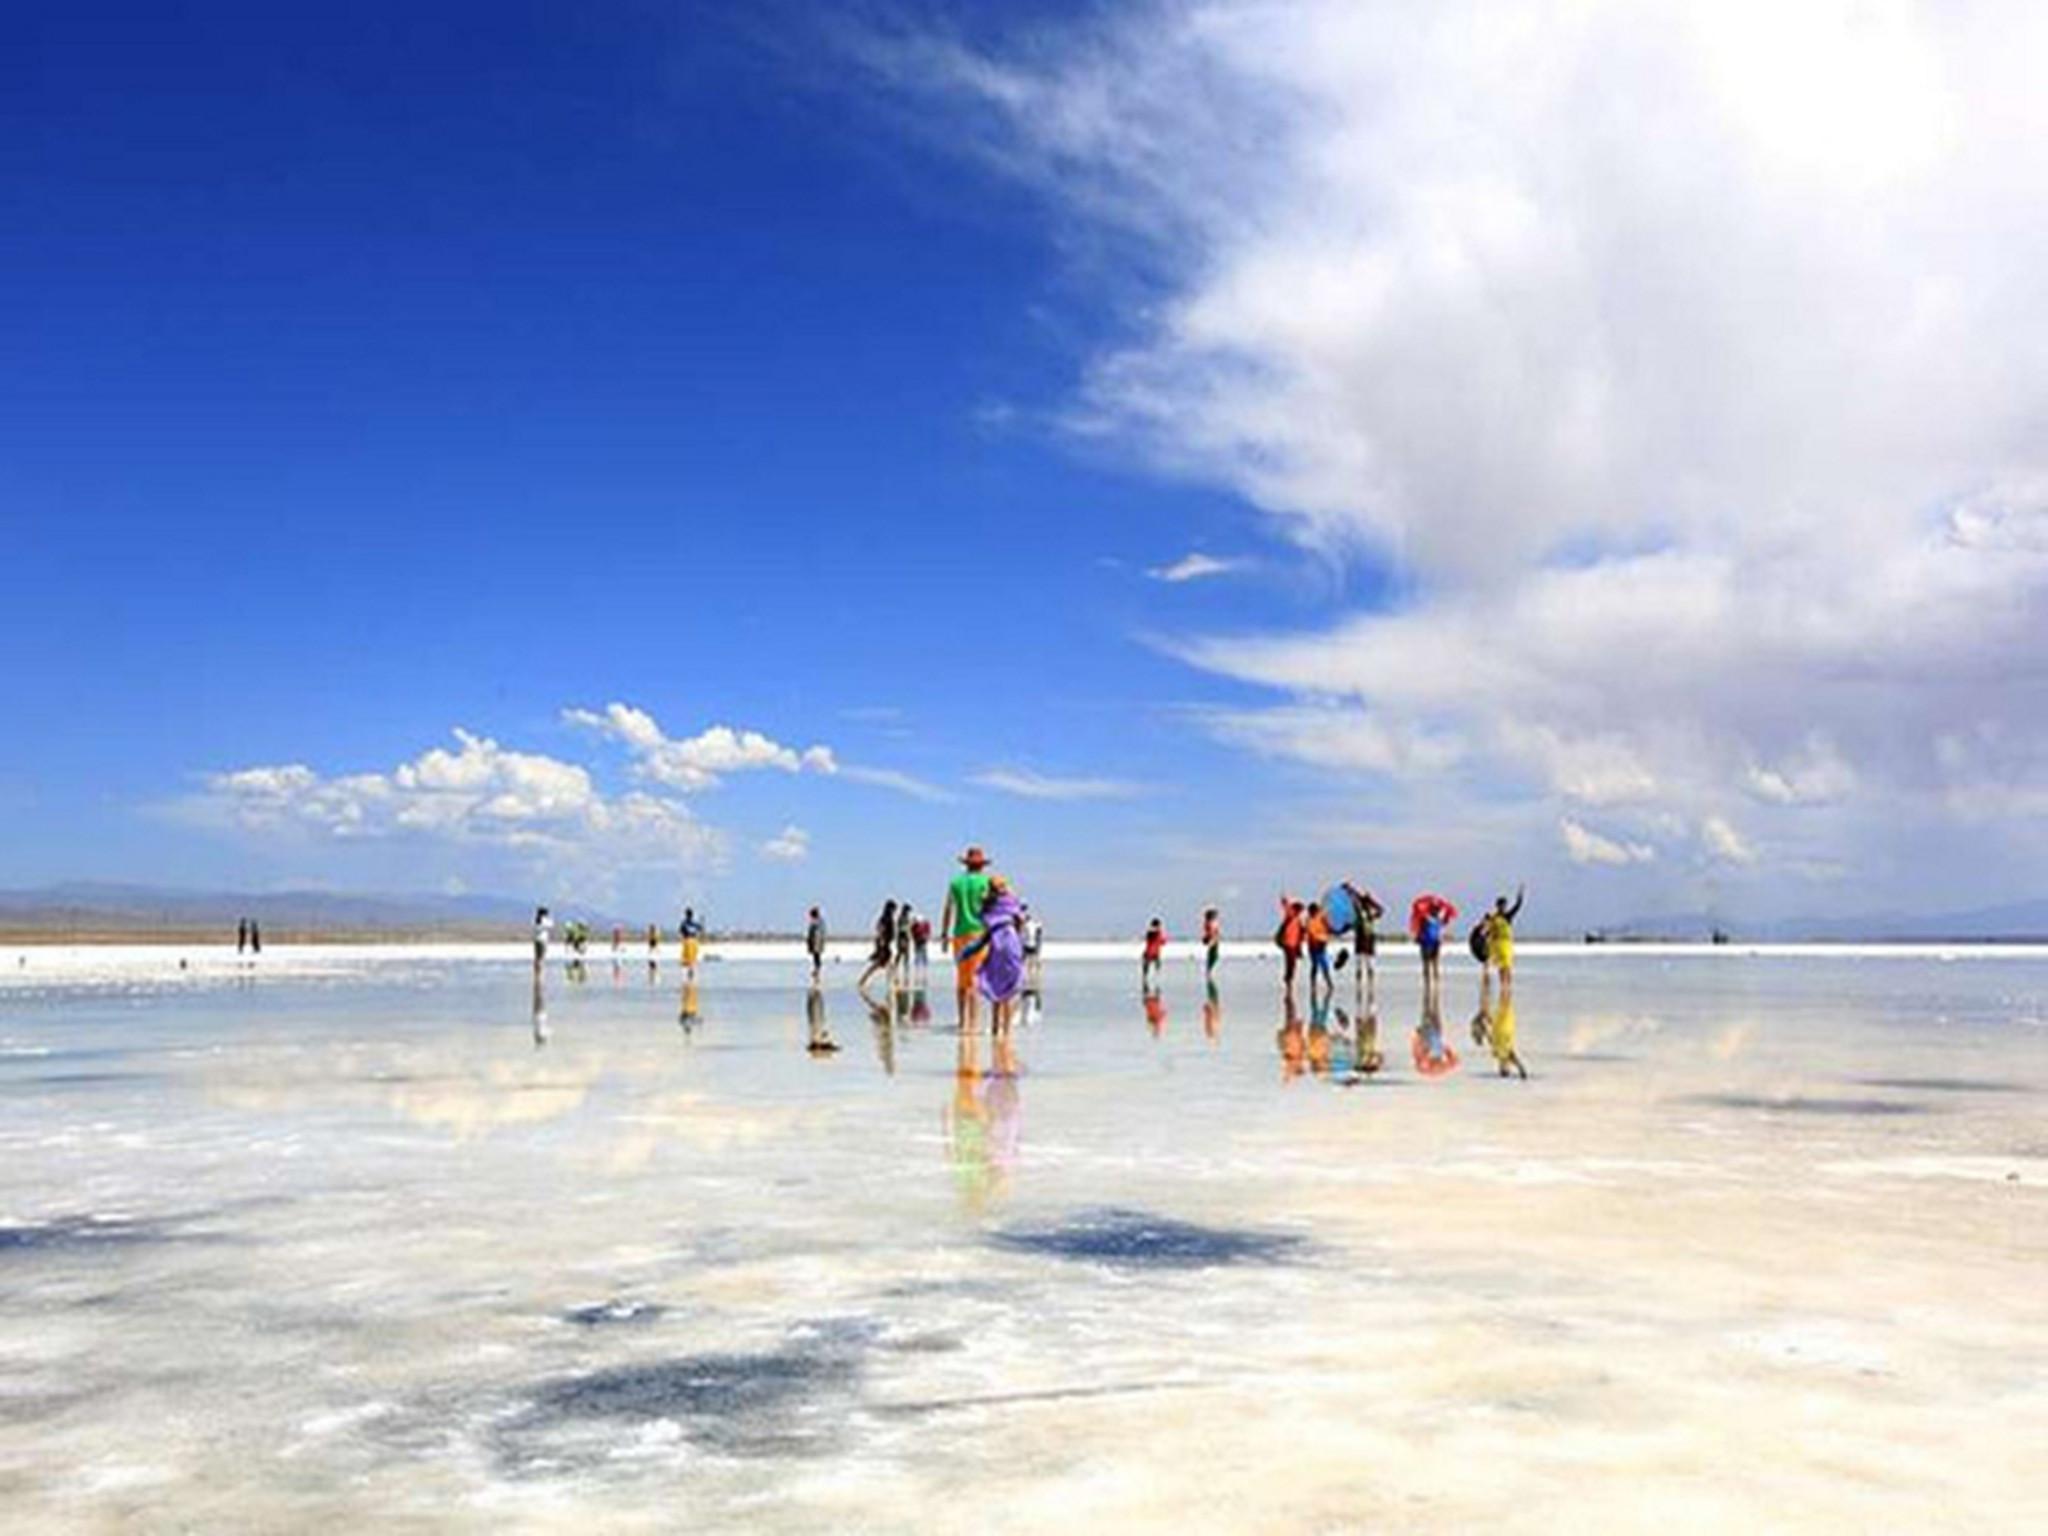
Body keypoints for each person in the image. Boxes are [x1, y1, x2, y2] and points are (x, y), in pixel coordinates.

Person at [940, 845, 995, 1031]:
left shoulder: (955, 883)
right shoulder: (986, 883)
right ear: (981, 865)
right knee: (975, 980)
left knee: (962, 980)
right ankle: (973, 1022)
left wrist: (944, 934)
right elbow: (991, 910)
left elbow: (948, 909)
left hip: (959, 935)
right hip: (979, 934)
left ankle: (962, 1021)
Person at [969, 875, 1028, 1034]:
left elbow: (982, 920)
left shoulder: (989, 905)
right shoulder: (1011, 902)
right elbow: (1021, 921)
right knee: (1009, 988)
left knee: (996, 984)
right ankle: (1007, 1031)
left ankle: (995, 1028)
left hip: (996, 943)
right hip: (1011, 942)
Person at [1340, 881, 1385, 996]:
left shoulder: (1369, 914)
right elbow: (1356, 900)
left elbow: (1380, 910)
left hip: (1368, 939)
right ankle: (1360, 986)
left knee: (1368, 963)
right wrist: (1350, 890)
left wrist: (1368, 899)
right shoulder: (1358, 913)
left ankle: (1369, 985)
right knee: (1360, 963)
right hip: (1362, 939)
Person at [1483, 885, 1526, 1001]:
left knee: (1508, 966)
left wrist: (1520, 898)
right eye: (1501, 905)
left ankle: (1508, 986)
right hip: (1497, 945)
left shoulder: (1508, 916)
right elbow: (1489, 930)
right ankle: (1503, 986)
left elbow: (1517, 907)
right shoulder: (1494, 917)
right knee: (1501, 967)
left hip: (1506, 944)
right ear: (1497, 906)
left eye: (1504, 905)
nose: (1503, 907)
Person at [858, 899, 898, 995]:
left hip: (885, 943)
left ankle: (893, 982)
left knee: (887, 964)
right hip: (884, 943)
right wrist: (882, 942)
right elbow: (880, 929)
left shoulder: (886, 918)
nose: (895, 911)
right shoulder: (886, 918)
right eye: (894, 909)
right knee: (881, 964)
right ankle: (864, 980)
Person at [1274, 897, 1306, 994]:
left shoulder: (1298, 919)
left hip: (1294, 944)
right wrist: (1284, 901)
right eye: (1299, 910)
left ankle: (1288, 979)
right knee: (1290, 963)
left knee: (1292, 964)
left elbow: (1301, 932)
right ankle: (1288, 980)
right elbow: (1287, 908)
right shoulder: (1290, 915)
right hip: (1288, 943)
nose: (1300, 912)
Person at [1304, 902, 1333, 997]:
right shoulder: (1309, 921)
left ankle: (1329, 984)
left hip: (1321, 945)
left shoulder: (1321, 918)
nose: (1313, 913)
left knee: (1324, 965)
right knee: (1315, 965)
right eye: (1311, 911)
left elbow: (1328, 926)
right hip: (1313, 946)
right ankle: (1313, 984)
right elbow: (1311, 933)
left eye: (1314, 911)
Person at [1021, 906, 1044, 990]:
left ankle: (1029, 976)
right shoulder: (1033, 924)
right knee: (1033, 961)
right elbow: (1039, 928)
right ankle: (1034, 976)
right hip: (1032, 945)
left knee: (1028, 961)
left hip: (1028, 945)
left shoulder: (1027, 925)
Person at [1141, 917, 1167, 990]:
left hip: (1155, 953)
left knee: (1156, 970)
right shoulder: (1151, 932)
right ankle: (1146, 982)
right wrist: (1155, 930)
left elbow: (1163, 942)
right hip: (1149, 953)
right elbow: (1150, 934)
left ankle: (1155, 983)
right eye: (1159, 925)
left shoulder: (1159, 933)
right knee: (1146, 971)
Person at [678, 908, 704, 977]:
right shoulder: (694, 924)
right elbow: (701, 929)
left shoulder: (684, 923)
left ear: (686, 915)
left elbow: (681, 932)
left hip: (687, 941)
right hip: (693, 941)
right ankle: (691, 970)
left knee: (687, 959)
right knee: (691, 958)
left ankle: (690, 971)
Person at [805, 906, 827, 985]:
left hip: (816, 942)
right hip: (817, 942)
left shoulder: (816, 922)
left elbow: (813, 933)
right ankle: (816, 971)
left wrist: (811, 941)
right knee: (816, 957)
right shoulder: (820, 922)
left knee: (816, 957)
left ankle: (817, 971)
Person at [1201, 907, 1221, 981]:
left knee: (1214, 956)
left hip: (1214, 940)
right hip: (1213, 940)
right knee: (1213, 956)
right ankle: (1208, 971)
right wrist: (1209, 939)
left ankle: (1209, 971)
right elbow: (1210, 932)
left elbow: (1215, 932)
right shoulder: (1209, 923)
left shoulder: (1212, 922)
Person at [911, 910, 932, 981]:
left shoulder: (923, 925)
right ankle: (918, 969)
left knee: (923, 955)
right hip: (918, 943)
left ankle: (924, 969)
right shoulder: (914, 926)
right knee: (918, 955)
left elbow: (928, 932)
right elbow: (912, 934)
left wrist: (926, 937)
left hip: (922, 943)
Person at [532, 906, 553, 972]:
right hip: (543, 940)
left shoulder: (535, 920)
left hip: (536, 940)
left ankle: (536, 970)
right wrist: (550, 918)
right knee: (541, 957)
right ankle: (540, 971)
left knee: (537, 957)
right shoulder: (544, 920)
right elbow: (551, 925)